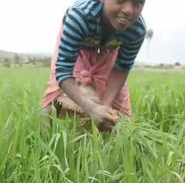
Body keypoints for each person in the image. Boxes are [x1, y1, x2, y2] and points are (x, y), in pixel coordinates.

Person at [42, 0, 146, 131]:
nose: (129, 10)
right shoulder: (79, 16)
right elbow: (63, 71)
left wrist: (106, 105)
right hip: (79, 44)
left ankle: (110, 143)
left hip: (109, 47)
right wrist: (92, 108)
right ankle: (45, 137)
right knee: (58, 93)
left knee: (120, 111)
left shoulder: (137, 30)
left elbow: (122, 68)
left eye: (138, 3)